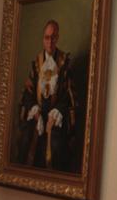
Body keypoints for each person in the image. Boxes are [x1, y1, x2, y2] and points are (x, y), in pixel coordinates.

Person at [16, 19, 77, 172]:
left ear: (57, 38)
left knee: (56, 143)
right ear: (43, 39)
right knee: (25, 139)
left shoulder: (64, 63)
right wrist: (35, 111)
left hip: (54, 117)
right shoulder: (36, 64)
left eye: (53, 37)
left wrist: (55, 114)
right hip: (37, 115)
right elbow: (28, 94)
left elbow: (68, 96)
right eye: (46, 37)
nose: (49, 41)